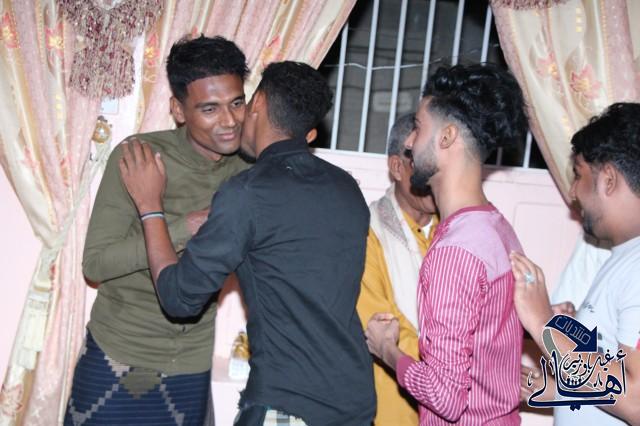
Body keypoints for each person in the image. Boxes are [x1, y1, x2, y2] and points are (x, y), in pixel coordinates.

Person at [118, 61, 376, 426]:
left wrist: (150, 207)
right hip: (355, 402)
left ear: (259, 103)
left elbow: (179, 298)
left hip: (291, 405)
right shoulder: (346, 188)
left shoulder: (249, 192)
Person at [65, 36, 250, 425]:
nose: (230, 121)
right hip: (118, 352)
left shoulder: (249, 171)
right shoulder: (139, 156)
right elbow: (96, 264)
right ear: (178, 110)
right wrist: (186, 226)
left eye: (237, 103)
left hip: (192, 363)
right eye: (210, 108)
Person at [365, 64, 528, 425]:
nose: (410, 142)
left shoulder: (455, 251)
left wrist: (386, 349)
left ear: (447, 136)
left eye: (418, 127)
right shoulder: (497, 227)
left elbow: (445, 397)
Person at [511, 102, 640, 425]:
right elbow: (617, 376)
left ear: (608, 179)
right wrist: (558, 391)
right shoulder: (624, 256)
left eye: (578, 175)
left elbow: (636, 401)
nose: (572, 192)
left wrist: (543, 323)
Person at [356, 113, 438, 426]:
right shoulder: (368, 231)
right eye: (423, 162)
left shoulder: (456, 231)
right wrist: (453, 366)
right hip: (392, 407)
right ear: (396, 166)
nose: (434, 175)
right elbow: (380, 325)